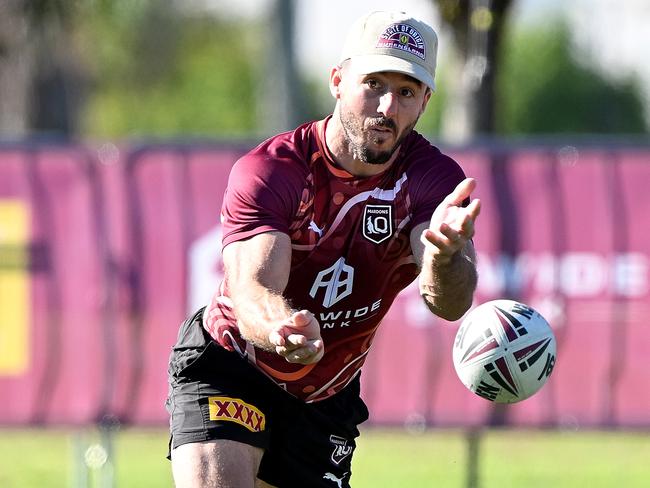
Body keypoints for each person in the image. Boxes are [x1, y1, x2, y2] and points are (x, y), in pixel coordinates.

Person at [166, 10, 481, 488]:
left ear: (425, 103)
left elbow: (449, 304)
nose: (387, 106)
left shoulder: (434, 181)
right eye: (373, 83)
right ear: (338, 80)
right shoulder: (274, 171)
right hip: (233, 362)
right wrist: (281, 328)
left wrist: (442, 259)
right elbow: (251, 291)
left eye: (406, 92)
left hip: (326, 394)